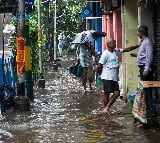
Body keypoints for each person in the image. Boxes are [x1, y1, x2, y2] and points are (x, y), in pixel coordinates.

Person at [97, 37, 140, 114]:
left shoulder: (116, 51)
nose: (115, 43)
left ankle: (107, 108)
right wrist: (99, 76)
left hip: (114, 77)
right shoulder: (105, 54)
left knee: (116, 93)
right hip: (107, 76)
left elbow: (127, 49)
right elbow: (99, 65)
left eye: (115, 42)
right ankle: (106, 109)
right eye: (113, 42)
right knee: (106, 93)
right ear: (108, 44)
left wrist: (138, 45)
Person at [130, 25, 154, 127]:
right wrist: (136, 55)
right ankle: (144, 118)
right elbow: (144, 55)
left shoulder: (147, 42)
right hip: (143, 68)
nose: (138, 34)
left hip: (145, 69)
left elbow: (149, 56)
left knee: (146, 93)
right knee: (144, 93)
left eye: (138, 33)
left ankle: (147, 118)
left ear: (141, 33)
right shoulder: (144, 42)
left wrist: (146, 69)